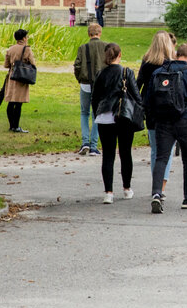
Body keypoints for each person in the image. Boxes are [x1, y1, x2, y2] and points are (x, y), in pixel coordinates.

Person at [148, 43, 187, 212]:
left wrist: (155, 116)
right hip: (185, 120)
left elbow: (149, 98)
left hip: (163, 121)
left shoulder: (159, 72)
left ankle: (157, 193)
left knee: (161, 158)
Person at [91, 43, 143, 204]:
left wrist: (97, 114)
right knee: (125, 153)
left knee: (108, 155)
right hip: (123, 116)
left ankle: (108, 192)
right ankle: (127, 188)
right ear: (119, 54)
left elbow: (95, 98)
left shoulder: (100, 74)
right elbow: (136, 95)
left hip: (104, 117)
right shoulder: (127, 72)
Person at [137, 31, 175, 197]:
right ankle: (163, 184)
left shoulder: (147, 64)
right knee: (167, 149)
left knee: (154, 149)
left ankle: (156, 185)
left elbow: (138, 84)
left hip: (151, 109)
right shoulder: (171, 65)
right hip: (168, 109)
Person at [73, 23, 106, 155]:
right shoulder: (105, 47)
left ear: (89, 34)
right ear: (100, 33)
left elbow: (77, 66)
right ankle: (94, 146)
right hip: (101, 85)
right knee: (96, 115)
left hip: (85, 84)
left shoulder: (83, 48)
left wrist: (79, 79)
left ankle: (85, 142)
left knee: (84, 113)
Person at [4, 28, 35, 133]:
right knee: (18, 103)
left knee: (11, 102)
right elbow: (33, 64)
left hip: (12, 77)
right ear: (24, 38)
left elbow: (6, 65)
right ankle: (16, 126)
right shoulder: (27, 49)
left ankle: (11, 125)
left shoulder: (10, 49)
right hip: (21, 78)